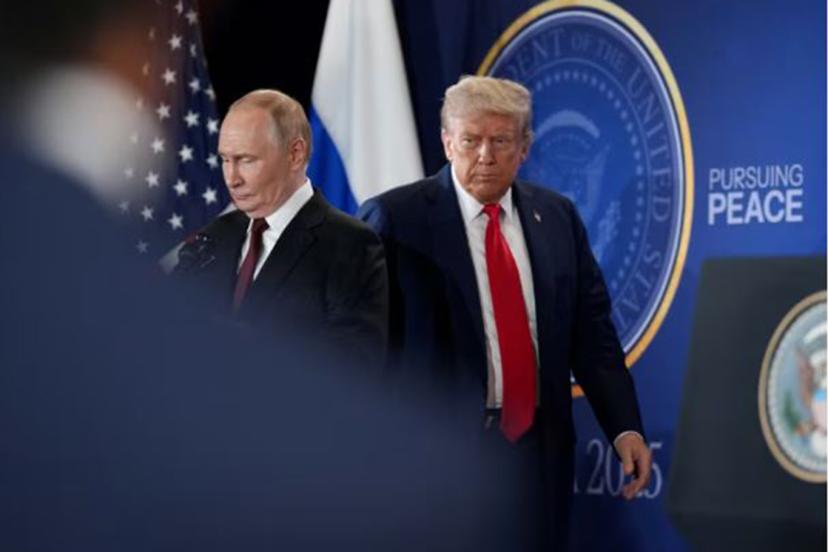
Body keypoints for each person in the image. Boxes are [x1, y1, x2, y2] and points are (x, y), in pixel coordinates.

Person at [358, 75, 652, 548]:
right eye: (470, 140)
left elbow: (592, 336)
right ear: (447, 142)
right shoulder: (396, 219)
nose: (485, 156)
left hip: (537, 457)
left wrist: (624, 427)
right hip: (436, 461)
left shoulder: (557, 217)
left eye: (500, 141)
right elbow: (365, 349)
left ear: (525, 148)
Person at [181, 90, 388, 360]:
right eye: (225, 160)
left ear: (295, 154)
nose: (232, 179)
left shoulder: (351, 246)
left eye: (246, 160)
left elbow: (351, 368)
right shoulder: (214, 237)